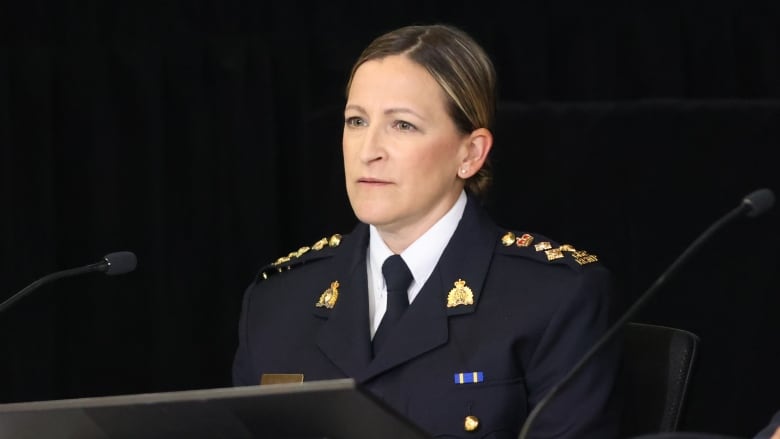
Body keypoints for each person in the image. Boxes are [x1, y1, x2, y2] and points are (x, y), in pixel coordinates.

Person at [232, 23, 622, 438]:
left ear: (470, 154)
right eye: (356, 121)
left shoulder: (553, 298)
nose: (369, 151)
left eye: (402, 125)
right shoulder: (276, 302)